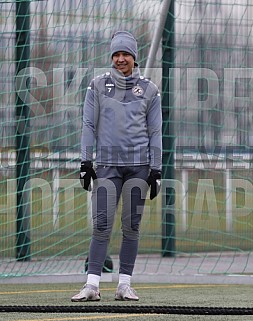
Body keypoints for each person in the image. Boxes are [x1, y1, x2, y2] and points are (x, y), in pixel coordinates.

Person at [71, 31, 162, 302]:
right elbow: (88, 124)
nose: (121, 59)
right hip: (108, 167)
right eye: (116, 54)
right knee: (101, 225)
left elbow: (155, 132)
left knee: (132, 227)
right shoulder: (96, 85)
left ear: (134, 57)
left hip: (138, 168)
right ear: (111, 56)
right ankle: (92, 285)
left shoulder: (150, 89)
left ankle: (124, 285)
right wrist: (86, 161)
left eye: (126, 54)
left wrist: (156, 169)